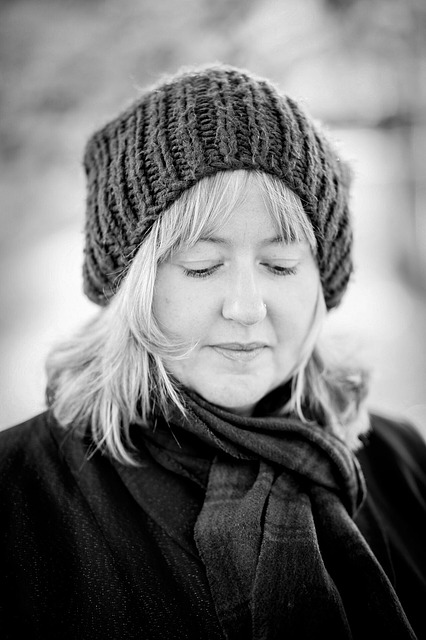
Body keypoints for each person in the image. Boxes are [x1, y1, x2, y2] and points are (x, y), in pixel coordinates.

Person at [0, 64, 425, 640]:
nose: (247, 309)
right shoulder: (20, 498)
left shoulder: (402, 464)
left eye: (279, 265)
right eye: (202, 266)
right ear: (132, 286)